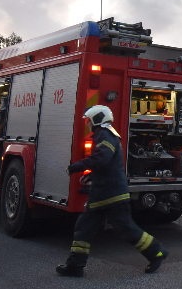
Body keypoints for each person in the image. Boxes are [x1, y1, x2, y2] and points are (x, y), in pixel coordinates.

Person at [56, 105, 168, 277]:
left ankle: (157, 252)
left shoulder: (104, 134)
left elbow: (102, 158)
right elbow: (106, 163)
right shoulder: (107, 134)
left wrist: (76, 167)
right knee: (84, 228)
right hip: (104, 194)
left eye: (88, 120)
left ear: (97, 119)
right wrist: (91, 176)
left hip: (111, 194)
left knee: (126, 228)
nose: (87, 123)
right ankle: (75, 265)